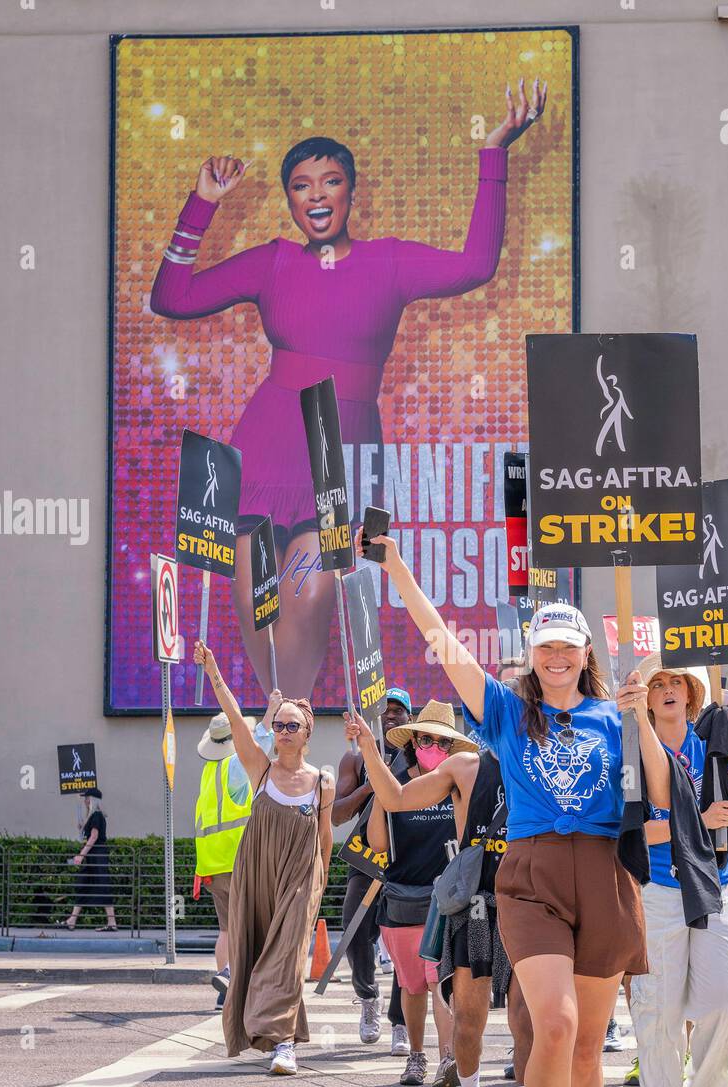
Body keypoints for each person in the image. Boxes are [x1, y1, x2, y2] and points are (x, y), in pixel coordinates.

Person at [150, 81, 546, 699]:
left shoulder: (386, 261)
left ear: (351, 191)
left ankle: (291, 721)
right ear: (289, 198)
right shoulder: (272, 261)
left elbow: (476, 264)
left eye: (330, 181)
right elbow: (171, 299)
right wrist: (202, 203)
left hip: (339, 449)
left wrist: (494, 152)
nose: (316, 195)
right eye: (301, 185)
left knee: (308, 594)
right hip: (263, 445)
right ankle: (274, 724)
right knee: (256, 598)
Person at [357, 527, 669, 1087]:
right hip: (529, 875)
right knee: (552, 1024)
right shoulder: (504, 712)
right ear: (532, 655)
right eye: (546, 647)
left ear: (586, 654)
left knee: (589, 1044)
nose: (558, 658)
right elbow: (445, 645)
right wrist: (398, 569)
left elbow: (656, 790)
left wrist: (640, 717)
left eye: (569, 646)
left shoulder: (612, 716)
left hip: (604, 875)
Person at [347, 660, 536, 1087]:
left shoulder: (547, 762)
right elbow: (395, 797)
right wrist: (370, 746)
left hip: (529, 899)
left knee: (527, 1020)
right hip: (475, 901)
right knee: (468, 1021)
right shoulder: (463, 767)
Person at [628, 661, 728, 1087]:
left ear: (692, 693)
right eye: (658, 684)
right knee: (658, 1009)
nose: (667, 691)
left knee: (724, 1000)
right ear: (645, 698)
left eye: (676, 683)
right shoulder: (630, 749)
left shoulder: (711, 737)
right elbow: (632, 833)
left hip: (717, 882)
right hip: (660, 887)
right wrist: (696, 819)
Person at [194, 640, 333, 1076]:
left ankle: (285, 1044)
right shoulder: (261, 769)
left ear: (307, 733)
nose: (284, 732)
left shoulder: (321, 782)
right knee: (258, 952)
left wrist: (320, 883)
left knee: (290, 954)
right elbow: (235, 719)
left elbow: (324, 837)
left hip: (300, 875)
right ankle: (276, 1031)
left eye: (293, 726)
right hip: (258, 874)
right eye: (279, 725)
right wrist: (214, 669)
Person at [362, 700, 477, 1087]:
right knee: (411, 985)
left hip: (444, 903)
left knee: (439, 981)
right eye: (426, 739)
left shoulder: (457, 783)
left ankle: (449, 1059)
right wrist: (382, 793)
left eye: (442, 742)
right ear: (413, 740)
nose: (433, 747)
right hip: (401, 900)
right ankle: (416, 1055)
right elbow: (377, 844)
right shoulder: (396, 786)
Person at [333, 687, 412, 1049]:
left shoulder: (417, 754)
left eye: (399, 711)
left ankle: (401, 1019)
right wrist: (370, 786)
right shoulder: (355, 759)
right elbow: (337, 814)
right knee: (353, 929)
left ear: (410, 718)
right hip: (368, 857)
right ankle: (368, 997)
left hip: (408, 857)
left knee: (404, 941)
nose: (391, 716)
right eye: (385, 710)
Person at [194, 702, 277, 1009]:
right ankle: (237, 979)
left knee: (227, 929)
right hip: (241, 858)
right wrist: (271, 713)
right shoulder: (234, 765)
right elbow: (261, 744)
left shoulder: (209, 771)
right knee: (254, 925)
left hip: (212, 863)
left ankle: (224, 989)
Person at [64, 791, 116, 931]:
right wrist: (81, 827)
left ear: (93, 800)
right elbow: (88, 837)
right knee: (82, 884)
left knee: (103, 885)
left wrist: (80, 855)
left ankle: (112, 923)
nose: (85, 800)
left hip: (98, 855)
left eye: (87, 798)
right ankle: (72, 920)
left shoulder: (97, 815)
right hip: (92, 856)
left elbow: (94, 837)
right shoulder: (92, 816)